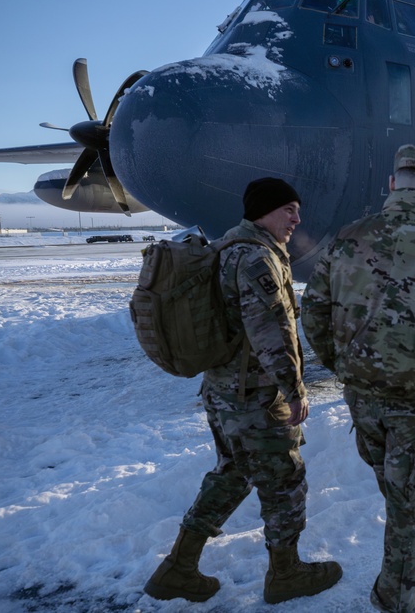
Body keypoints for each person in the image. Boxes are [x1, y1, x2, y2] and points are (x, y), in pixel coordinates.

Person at [301, 145, 415, 612]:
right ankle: (396, 597)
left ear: (391, 184)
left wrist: (344, 365)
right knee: (408, 502)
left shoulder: (348, 238)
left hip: (360, 394)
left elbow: (314, 311)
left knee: (401, 493)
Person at [144, 178, 342, 605]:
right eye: (289, 209)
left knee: (233, 473)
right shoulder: (256, 258)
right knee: (284, 480)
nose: (297, 218)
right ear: (263, 211)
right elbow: (271, 330)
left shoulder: (227, 247)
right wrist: (294, 389)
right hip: (255, 396)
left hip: (223, 390)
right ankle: (286, 574)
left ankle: (178, 567)